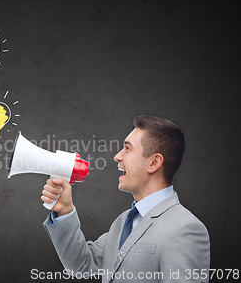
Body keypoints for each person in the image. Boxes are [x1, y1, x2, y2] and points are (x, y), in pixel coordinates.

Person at [42, 115, 210, 282]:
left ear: (154, 163)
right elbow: (81, 264)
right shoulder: (122, 222)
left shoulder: (186, 229)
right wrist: (64, 210)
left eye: (127, 149)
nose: (117, 156)